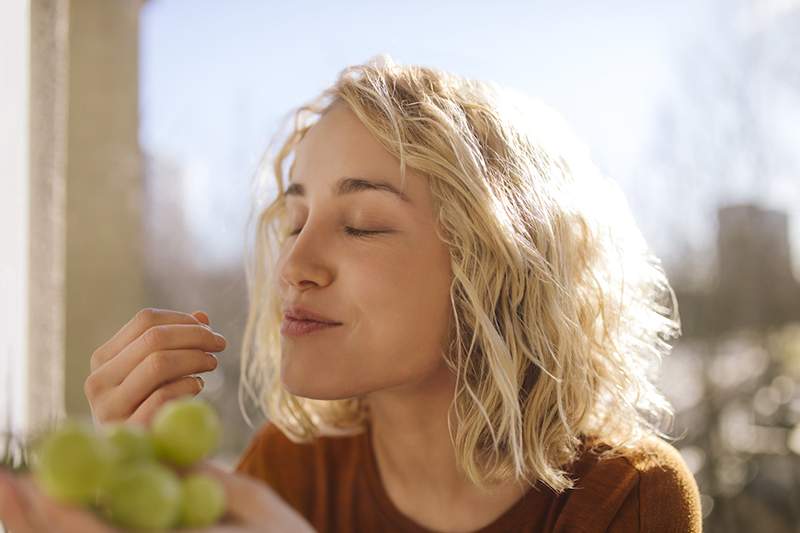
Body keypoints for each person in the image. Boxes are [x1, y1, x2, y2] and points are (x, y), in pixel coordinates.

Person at [0, 54, 702, 532]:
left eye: (361, 224)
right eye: (295, 218)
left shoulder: (628, 497)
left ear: (497, 267)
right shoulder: (286, 468)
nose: (293, 265)